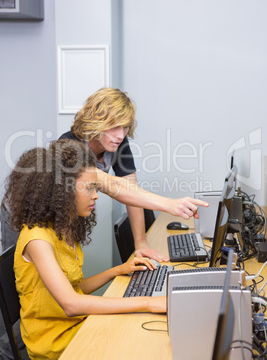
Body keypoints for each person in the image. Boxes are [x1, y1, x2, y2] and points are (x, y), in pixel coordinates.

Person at [6, 139, 165, 360]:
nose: (96, 195)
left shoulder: (63, 227)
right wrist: (148, 302)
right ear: (62, 191)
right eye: (89, 188)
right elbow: (71, 304)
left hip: (75, 326)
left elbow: (74, 288)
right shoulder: (37, 240)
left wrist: (117, 271)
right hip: (54, 344)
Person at [60, 87, 208, 262]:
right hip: (54, 223)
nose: (121, 135)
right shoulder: (69, 147)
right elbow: (112, 185)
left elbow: (130, 188)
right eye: (114, 127)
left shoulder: (116, 142)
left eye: (125, 127)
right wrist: (169, 204)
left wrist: (141, 244)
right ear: (95, 122)